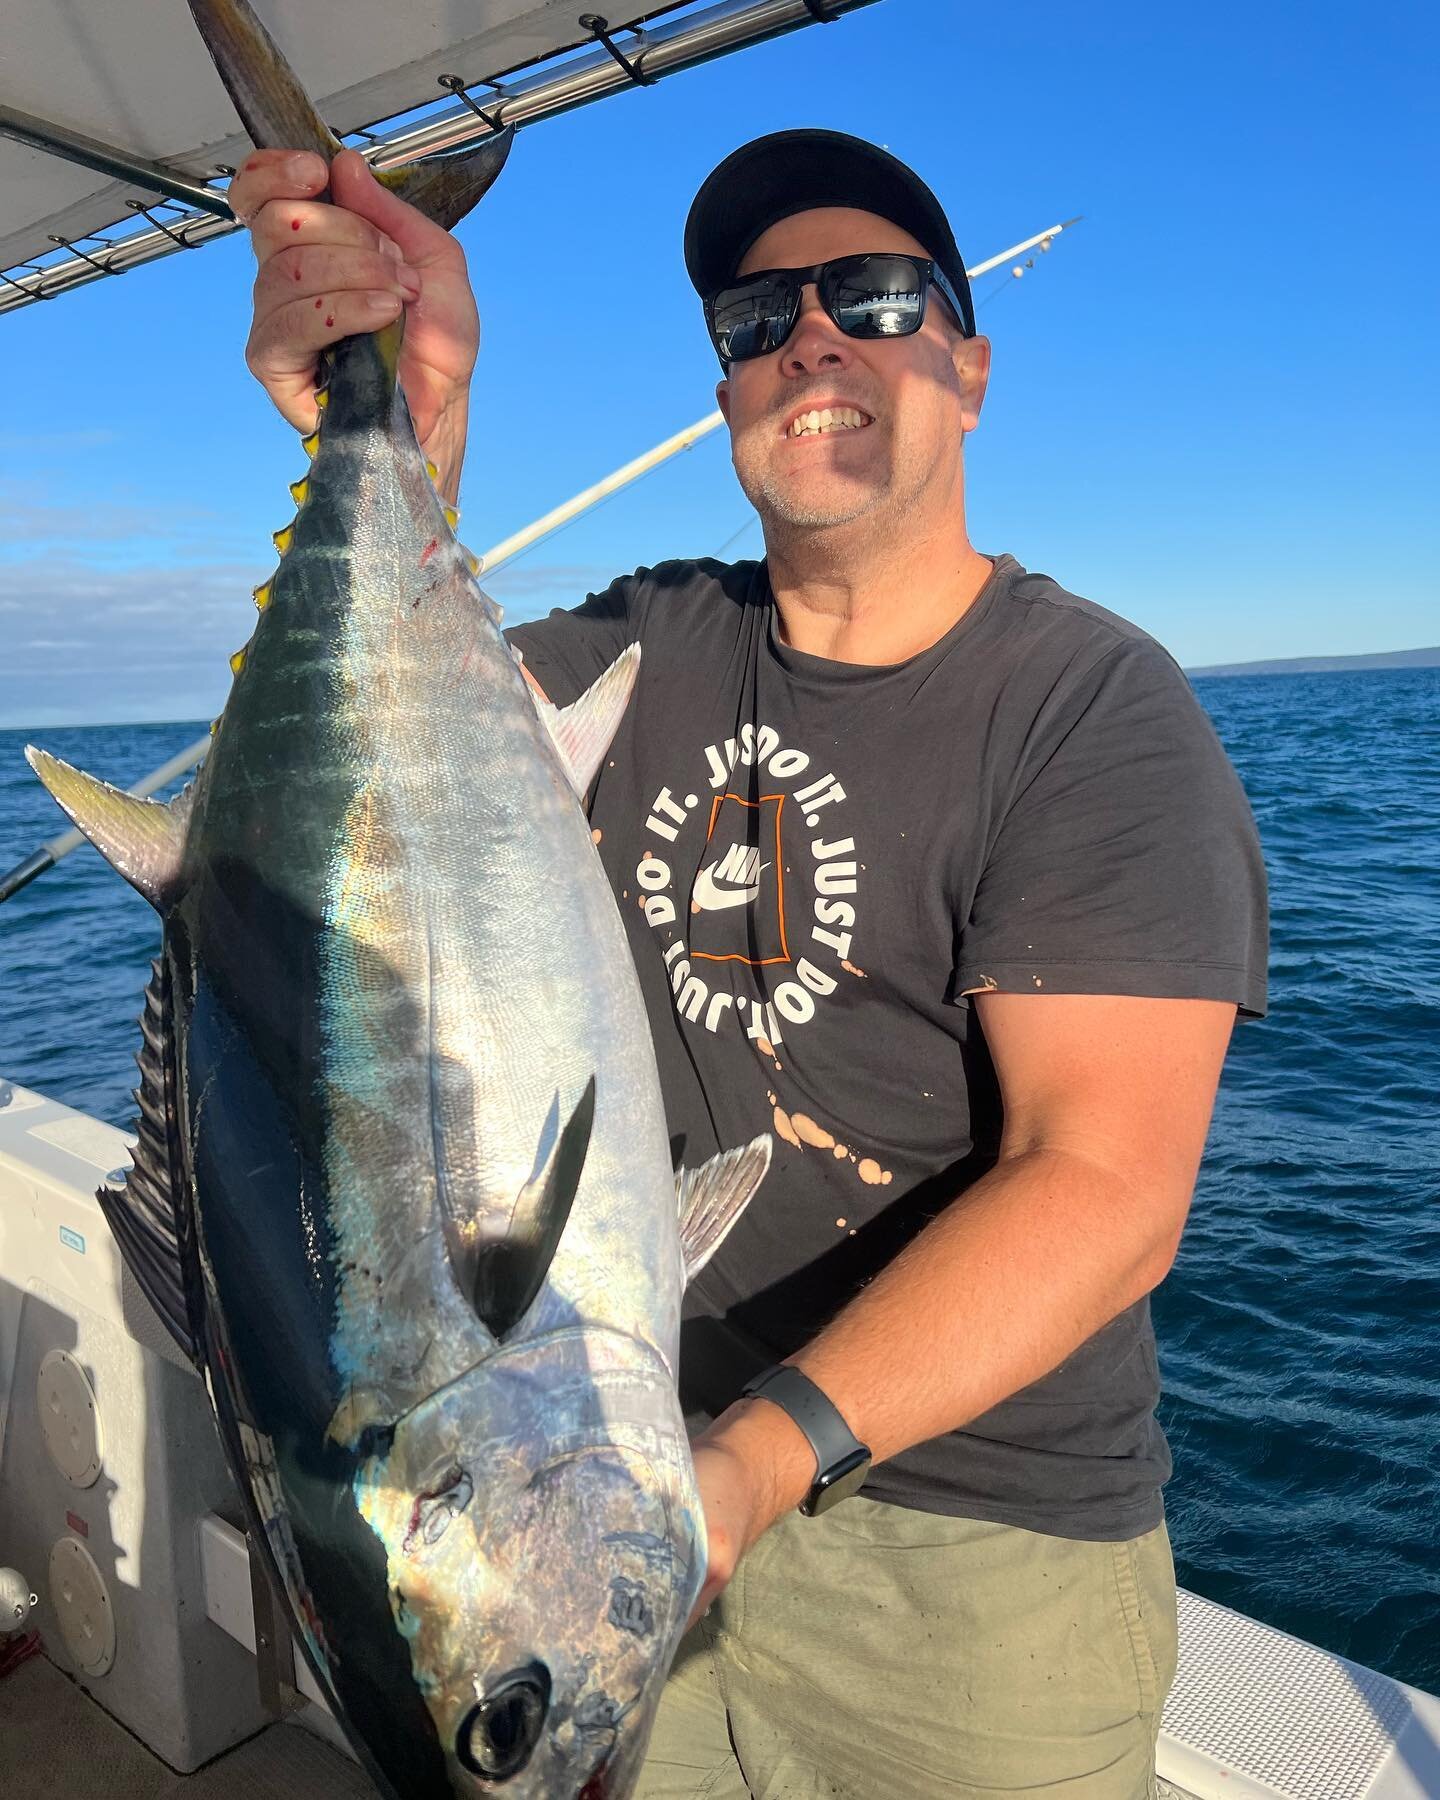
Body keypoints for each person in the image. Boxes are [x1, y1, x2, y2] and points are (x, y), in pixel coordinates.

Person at [229, 128, 1267, 1798]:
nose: (813, 341)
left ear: (970, 363)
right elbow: (395, 781)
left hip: (964, 1552)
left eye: (873, 296)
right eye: (757, 319)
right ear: (728, 389)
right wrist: (404, 414)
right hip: (615, 1475)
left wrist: (751, 1466)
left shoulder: (1089, 711)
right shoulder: (645, 650)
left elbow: (1104, 1185)